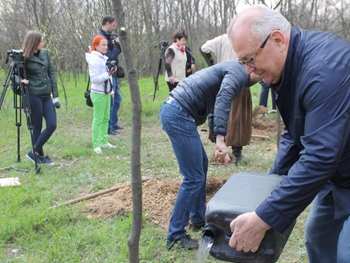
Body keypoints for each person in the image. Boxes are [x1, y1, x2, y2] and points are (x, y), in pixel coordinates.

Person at [222, 4, 350, 262]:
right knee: (317, 236)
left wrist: (263, 218)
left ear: (278, 40)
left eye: (250, 59)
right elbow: (296, 131)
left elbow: (320, 156)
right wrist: (271, 183)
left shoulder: (325, 71)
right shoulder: (288, 69)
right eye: (242, 62)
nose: (249, 70)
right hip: (338, 173)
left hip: (335, 164)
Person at [160, 60, 259, 250]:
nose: (262, 78)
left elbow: (214, 106)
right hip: (179, 114)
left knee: (201, 167)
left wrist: (216, 140)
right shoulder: (238, 72)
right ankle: (175, 236)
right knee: (193, 177)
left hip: (177, 111)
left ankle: (198, 219)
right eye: (261, 74)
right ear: (251, 67)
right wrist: (222, 140)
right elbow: (222, 100)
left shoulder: (231, 70)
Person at [201, 33, 252, 162]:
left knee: (222, 112)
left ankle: (229, 151)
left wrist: (212, 64)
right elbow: (204, 48)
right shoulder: (244, 37)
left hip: (223, 77)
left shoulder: (222, 38)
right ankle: (233, 153)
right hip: (238, 77)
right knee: (237, 117)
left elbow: (204, 48)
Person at [21, 30, 59, 165]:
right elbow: (15, 74)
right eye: (41, 41)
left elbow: (51, 74)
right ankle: (40, 155)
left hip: (46, 94)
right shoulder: (24, 57)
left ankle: (33, 152)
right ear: (34, 42)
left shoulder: (45, 53)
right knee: (37, 126)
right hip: (33, 94)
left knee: (52, 124)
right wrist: (20, 81)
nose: (43, 43)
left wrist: (55, 95)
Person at [86, 35, 117, 154]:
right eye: (103, 45)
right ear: (96, 46)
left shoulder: (103, 58)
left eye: (106, 45)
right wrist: (109, 73)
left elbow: (107, 78)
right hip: (98, 93)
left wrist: (111, 90)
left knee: (106, 118)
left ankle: (104, 141)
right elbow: (94, 79)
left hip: (106, 92)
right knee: (98, 119)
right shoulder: (94, 59)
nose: (105, 47)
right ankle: (96, 144)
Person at [98, 15, 123, 135]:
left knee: (117, 98)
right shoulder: (101, 38)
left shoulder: (107, 37)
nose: (114, 28)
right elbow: (109, 57)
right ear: (107, 23)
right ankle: (108, 127)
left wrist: (115, 45)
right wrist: (117, 47)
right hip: (107, 73)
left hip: (113, 73)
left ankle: (113, 123)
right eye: (113, 25)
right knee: (111, 101)